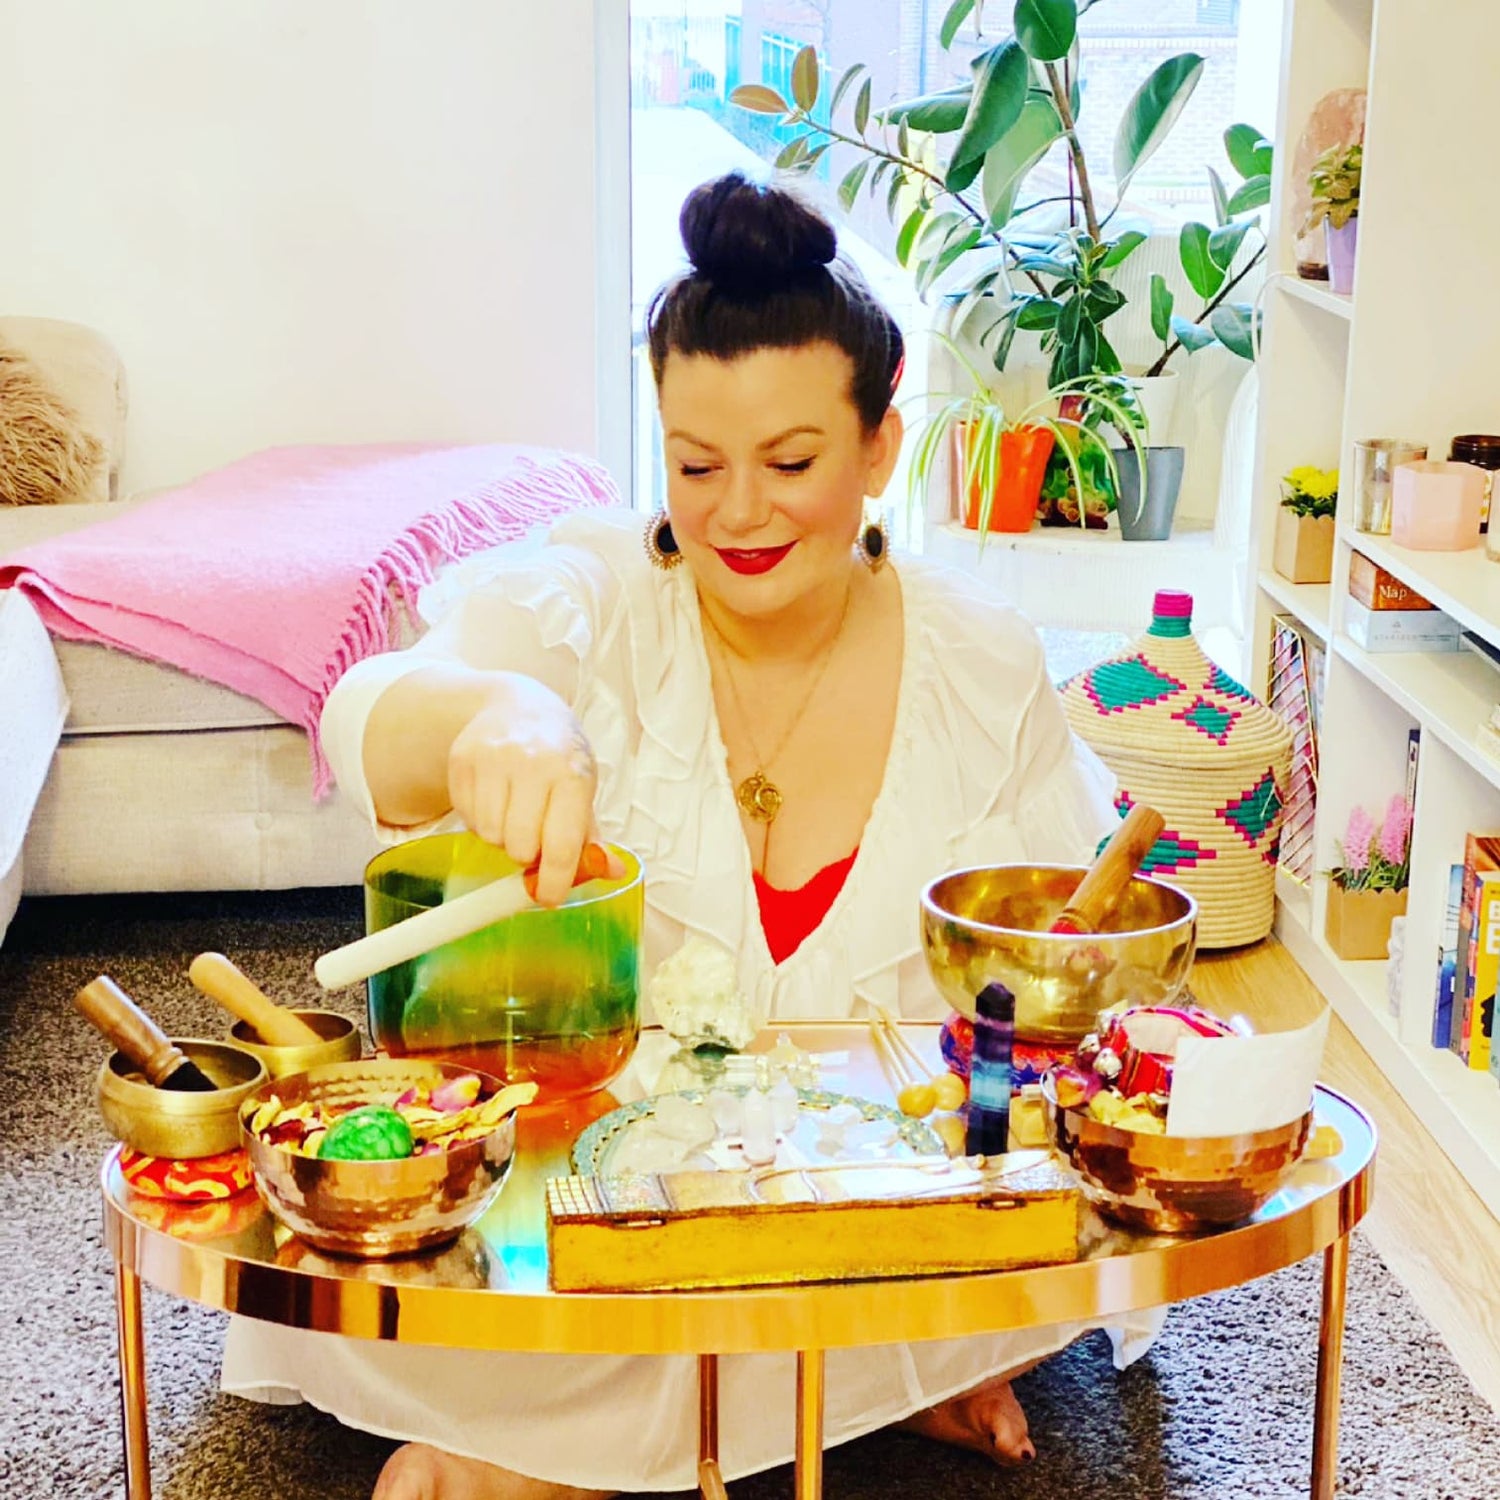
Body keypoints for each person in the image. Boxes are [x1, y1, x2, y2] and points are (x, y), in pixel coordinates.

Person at [222, 172, 1162, 1499]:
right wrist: (496, 713)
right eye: (696, 464)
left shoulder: (979, 659)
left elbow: (1051, 994)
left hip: (875, 1181)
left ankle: (572, 1463)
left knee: (1047, 1252)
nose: (737, 514)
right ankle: (860, 1394)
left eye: (792, 463)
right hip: (615, 1193)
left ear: (880, 447)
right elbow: (367, 716)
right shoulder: (600, 593)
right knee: (454, 1288)